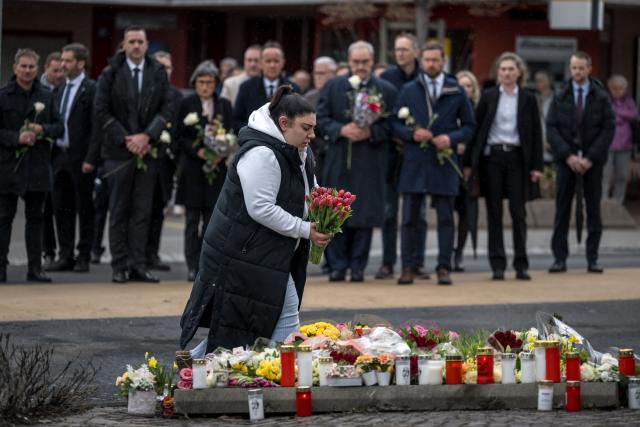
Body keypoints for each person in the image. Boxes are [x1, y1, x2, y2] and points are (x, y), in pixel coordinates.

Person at [180, 85, 330, 352]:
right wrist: (306, 229)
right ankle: (286, 378)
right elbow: (260, 208)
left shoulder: (295, 147)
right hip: (242, 252)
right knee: (280, 323)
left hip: (265, 251)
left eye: (313, 128)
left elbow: (309, 190)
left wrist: (324, 211)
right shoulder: (262, 153)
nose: (312, 134)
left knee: (243, 332)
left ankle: (193, 367)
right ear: (284, 123)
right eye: (306, 128)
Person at [391, 41, 475, 286]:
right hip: (415, 161)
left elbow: (470, 126)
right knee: (408, 219)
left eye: (435, 60)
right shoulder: (408, 89)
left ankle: (444, 267)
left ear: (443, 61)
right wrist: (411, 134)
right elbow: (394, 123)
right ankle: (408, 267)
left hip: (444, 162)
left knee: (446, 218)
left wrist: (451, 138)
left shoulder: (456, 90)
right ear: (421, 60)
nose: (431, 64)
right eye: (427, 60)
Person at [94, 25, 173, 283]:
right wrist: (127, 138)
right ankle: (119, 265)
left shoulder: (158, 72)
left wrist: (147, 136)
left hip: (148, 151)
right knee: (118, 210)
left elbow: (167, 108)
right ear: (124, 44)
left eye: (141, 41)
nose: (137, 46)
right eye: (132, 41)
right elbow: (101, 111)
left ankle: (138, 265)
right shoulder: (110, 73)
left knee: (142, 211)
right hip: (118, 152)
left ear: (147, 44)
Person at [316, 40, 397, 282]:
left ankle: (359, 266)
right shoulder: (333, 86)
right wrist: (341, 129)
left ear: (372, 61)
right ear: (349, 62)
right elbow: (320, 118)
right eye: (356, 62)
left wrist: (371, 132)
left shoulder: (386, 89)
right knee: (337, 211)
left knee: (364, 214)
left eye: (365, 62)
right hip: (340, 157)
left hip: (370, 159)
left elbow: (392, 125)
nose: (360, 66)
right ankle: (338, 265)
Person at [463, 53, 543, 281]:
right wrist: (469, 162)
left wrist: (537, 166)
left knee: (518, 213)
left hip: (517, 158)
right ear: (498, 73)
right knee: (494, 213)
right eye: (503, 69)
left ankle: (521, 264)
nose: (507, 73)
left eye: (511, 69)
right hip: (492, 160)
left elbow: (536, 133)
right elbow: (476, 131)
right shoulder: (488, 96)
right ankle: (497, 264)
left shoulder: (528, 98)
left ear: (519, 73)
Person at [547, 51, 615, 274]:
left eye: (581, 68)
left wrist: (589, 158)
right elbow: (551, 128)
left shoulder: (601, 96)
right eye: (574, 68)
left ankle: (592, 259)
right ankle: (559, 259)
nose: (577, 72)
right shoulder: (560, 94)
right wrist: (568, 155)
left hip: (592, 162)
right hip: (565, 161)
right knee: (562, 211)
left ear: (589, 68)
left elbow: (608, 128)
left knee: (593, 210)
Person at [0, 48, 64, 283]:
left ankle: (35, 268)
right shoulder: (3, 95)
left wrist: (42, 130)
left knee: (36, 219)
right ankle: (1, 266)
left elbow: (60, 127)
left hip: (37, 166)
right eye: (23, 66)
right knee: (4, 218)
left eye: (31, 67)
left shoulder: (46, 95)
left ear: (37, 69)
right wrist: (15, 138)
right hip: (9, 166)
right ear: (15, 67)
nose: (27, 71)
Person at [175, 61, 233, 282]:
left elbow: (231, 132)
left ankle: (206, 265)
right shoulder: (187, 103)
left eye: (210, 82)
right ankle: (191, 265)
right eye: (201, 82)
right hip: (192, 171)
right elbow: (179, 136)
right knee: (191, 221)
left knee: (211, 223)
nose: (206, 87)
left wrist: (222, 152)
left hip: (216, 171)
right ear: (195, 84)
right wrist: (197, 150)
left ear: (216, 84)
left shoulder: (224, 105)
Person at [45, 43, 97, 273]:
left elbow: (97, 128)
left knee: (84, 208)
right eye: (62, 60)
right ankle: (65, 255)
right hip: (59, 157)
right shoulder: (58, 89)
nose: (62, 64)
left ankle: (83, 255)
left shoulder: (92, 89)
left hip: (81, 159)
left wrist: (91, 158)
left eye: (67, 61)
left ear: (80, 63)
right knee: (61, 207)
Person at [377, 32, 424, 280]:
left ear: (416, 52)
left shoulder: (423, 77)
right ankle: (387, 262)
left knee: (419, 213)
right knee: (389, 211)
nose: (401, 54)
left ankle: (416, 262)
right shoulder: (386, 78)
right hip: (391, 152)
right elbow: (381, 114)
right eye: (397, 49)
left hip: (418, 154)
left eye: (405, 49)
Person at [145, 51, 183, 272]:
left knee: (158, 209)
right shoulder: (146, 94)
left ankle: (153, 254)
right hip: (145, 157)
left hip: (166, 164)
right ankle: (138, 254)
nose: (164, 71)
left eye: (167, 67)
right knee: (141, 211)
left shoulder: (178, 97)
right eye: (160, 66)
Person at [233, 41, 299, 132]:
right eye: (268, 61)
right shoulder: (246, 87)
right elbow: (237, 120)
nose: (272, 65)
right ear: (260, 63)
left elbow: (298, 119)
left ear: (283, 63)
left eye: (276, 61)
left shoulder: (293, 88)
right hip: (254, 140)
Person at [453, 70, 480, 272]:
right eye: (461, 85)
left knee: (466, 212)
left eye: (469, 86)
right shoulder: (450, 108)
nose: (465, 89)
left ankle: (459, 252)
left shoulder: (478, 110)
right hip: (451, 164)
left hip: (470, 167)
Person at [39, 51, 64, 268]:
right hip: (40, 155)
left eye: (61, 71)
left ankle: (64, 252)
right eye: (55, 70)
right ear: (46, 69)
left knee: (61, 205)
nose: (58, 74)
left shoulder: (65, 89)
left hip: (61, 156)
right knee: (44, 207)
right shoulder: (38, 91)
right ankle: (47, 250)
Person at [603, 74, 638, 204]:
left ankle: (618, 202)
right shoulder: (605, 100)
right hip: (607, 145)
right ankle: (603, 202)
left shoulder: (629, 101)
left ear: (625, 89)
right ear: (609, 88)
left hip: (625, 146)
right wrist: (622, 115)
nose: (617, 91)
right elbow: (604, 115)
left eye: (620, 88)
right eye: (614, 88)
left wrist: (616, 112)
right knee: (605, 176)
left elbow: (634, 115)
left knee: (622, 176)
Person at [534, 71, 555, 163]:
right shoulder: (534, 98)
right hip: (538, 144)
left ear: (549, 82)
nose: (538, 84)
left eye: (541, 81)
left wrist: (551, 140)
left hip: (552, 144)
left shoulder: (557, 99)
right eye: (537, 81)